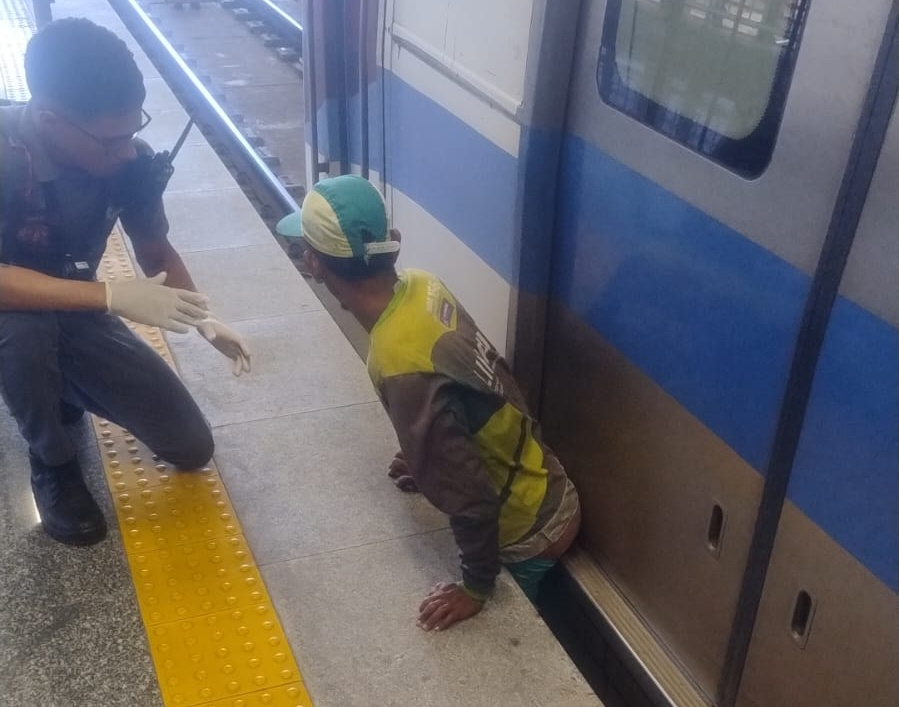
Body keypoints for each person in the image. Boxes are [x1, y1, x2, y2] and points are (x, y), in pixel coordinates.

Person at [276, 175, 580, 631]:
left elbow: (470, 497)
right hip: (544, 479)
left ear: (315, 263)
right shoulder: (423, 286)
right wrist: (426, 460)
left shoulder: (398, 361)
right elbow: (484, 386)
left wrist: (475, 588)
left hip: (530, 533)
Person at [0, 18, 251, 547]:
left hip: (76, 311)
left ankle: (55, 384)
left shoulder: (125, 159)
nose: (126, 151)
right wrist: (110, 295)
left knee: (190, 447)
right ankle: (52, 459)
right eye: (112, 141)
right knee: (22, 337)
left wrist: (203, 318)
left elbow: (155, 249)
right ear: (48, 119)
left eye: (134, 131)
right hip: (13, 316)